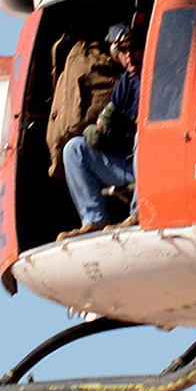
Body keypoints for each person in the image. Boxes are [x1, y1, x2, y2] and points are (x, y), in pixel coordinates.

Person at [62, 21, 143, 233]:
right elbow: (107, 119)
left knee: (145, 137)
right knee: (74, 149)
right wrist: (99, 132)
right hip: (125, 164)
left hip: (154, 164)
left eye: (134, 48)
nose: (130, 54)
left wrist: (129, 126)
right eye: (123, 49)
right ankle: (94, 219)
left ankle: (138, 212)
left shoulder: (157, 76)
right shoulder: (125, 83)